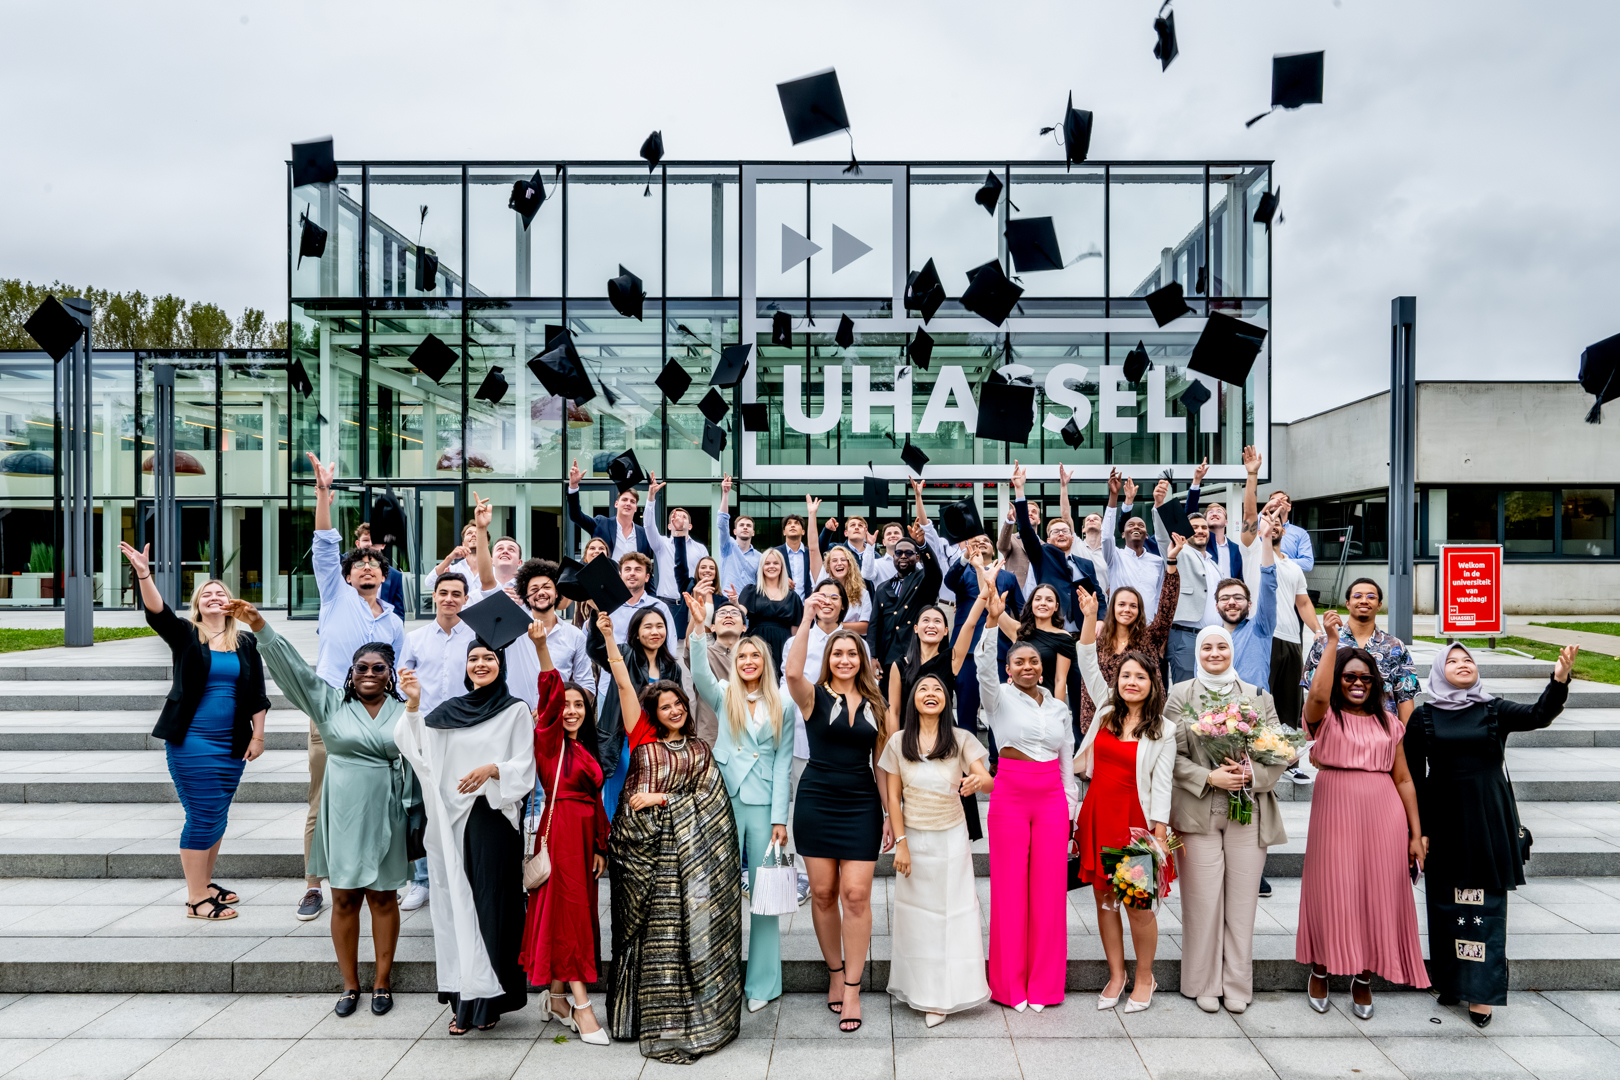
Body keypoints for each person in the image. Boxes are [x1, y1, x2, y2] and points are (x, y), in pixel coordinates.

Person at [242, 600, 410, 1017]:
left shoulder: (406, 709)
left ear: (390, 674)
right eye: (361, 667)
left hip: (388, 810)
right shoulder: (329, 702)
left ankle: (383, 982)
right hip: (343, 813)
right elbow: (295, 671)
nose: (369, 673)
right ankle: (350, 985)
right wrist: (261, 627)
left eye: (378, 668)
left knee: (384, 898)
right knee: (344, 898)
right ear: (350, 672)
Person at [1405, 641, 1577, 1027]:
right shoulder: (1423, 716)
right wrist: (1419, 831)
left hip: (1488, 818)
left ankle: (1481, 993)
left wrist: (1559, 679)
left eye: (1468, 659)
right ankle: (1453, 983)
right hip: (1445, 818)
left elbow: (1538, 715)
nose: (1462, 664)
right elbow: (1414, 777)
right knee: (1446, 905)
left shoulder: (1493, 708)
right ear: (1439, 671)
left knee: (1484, 907)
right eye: (1452, 660)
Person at [600, 613, 743, 1063]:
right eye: (665, 707)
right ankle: (636, 1018)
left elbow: (712, 800)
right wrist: (609, 639)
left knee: (682, 932)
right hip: (642, 853)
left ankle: (690, 1015)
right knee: (644, 934)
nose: (675, 711)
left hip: (689, 855)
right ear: (654, 715)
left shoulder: (700, 748)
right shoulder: (642, 736)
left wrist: (661, 798)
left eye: (678, 704)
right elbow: (623, 683)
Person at [395, 636, 537, 1035]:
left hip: (492, 817)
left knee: (491, 907)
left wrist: (493, 769)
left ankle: (488, 1003)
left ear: (500, 666)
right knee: (455, 906)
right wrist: (412, 704)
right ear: (466, 667)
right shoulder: (448, 711)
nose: (480, 664)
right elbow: (416, 747)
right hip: (451, 821)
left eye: (489, 658)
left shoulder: (515, 710)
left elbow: (524, 764)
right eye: (473, 658)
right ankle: (463, 999)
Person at [119, 544, 268, 922]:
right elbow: (159, 613)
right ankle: (196, 899)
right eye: (206, 594)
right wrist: (144, 574)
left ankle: (204, 882)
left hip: (232, 743)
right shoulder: (187, 635)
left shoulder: (245, 642)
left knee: (218, 815)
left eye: (220, 592)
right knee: (202, 815)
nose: (214, 596)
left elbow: (257, 694)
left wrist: (258, 736)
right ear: (198, 605)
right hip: (193, 741)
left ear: (231, 603)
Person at [1297, 611, 1429, 1020]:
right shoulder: (1323, 716)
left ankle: (1364, 976)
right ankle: (1320, 967)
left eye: (1366, 678)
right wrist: (1332, 643)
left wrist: (1416, 834)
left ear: (1376, 683)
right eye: (1349, 677)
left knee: (1378, 894)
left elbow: (1404, 779)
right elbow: (1317, 695)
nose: (1357, 683)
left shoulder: (1389, 723)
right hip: (1334, 809)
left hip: (1384, 813)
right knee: (1330, 889)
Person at [962, 572, 1078, 1013]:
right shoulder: (999, 700)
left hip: (1051, 799)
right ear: (1009, 670)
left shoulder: (1060, 708)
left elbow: (1067, 764)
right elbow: (982, 668)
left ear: (1042, 668)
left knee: (1049, 893)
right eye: (1019, 663)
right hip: (1010, 794)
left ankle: (1045, 985)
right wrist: (993, 622)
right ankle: (1010, 987)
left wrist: (1070, 811)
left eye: (1033, 662)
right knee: (1010, 892)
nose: (1027, 667)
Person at [300, 453, 406, 921]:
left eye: (373, 566)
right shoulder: (335, 597)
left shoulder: (395, 622)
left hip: (380, 716)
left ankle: (381, 876)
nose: (366, 569)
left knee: (383, 797)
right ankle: (312, 883)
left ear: (384, 576)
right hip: (332, 712)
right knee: (321, 797)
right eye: (359, 565)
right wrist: (324, 492)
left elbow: (397, 672)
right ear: (346, 576)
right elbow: (325, 544)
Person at [785, 595, 892, 1033]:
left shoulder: (877, 704)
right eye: (838, 653)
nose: (845, 659)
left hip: (861, 803)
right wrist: (808, 617)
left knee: (856, 895)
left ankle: (852, 987)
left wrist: (890, 815)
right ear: (827, 659)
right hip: (816, 800)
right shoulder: (813, 696)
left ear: (862, 660)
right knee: (824, 893)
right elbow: (792, 672)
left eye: (852, 653)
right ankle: (834, 970)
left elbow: (883, 765)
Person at [1167, 625, 1287, 1014]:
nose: (1215, 653)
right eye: (1207, 647)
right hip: (1197, 813)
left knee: (1242, 904)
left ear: (1232, 650)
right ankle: (1202, 982)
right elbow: (1168, 755)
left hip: (1248, 812)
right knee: (1201, 903)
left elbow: (1278, 751)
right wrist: (1208, 777)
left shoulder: (1257, 696)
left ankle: (1236, 983)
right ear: (1197, 652)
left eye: (1222, 646)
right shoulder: (1180, 695)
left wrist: (1253, 773)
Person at [688, 599, 795, 1013]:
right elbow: (700, 672)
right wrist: (699, 628)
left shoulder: (783, 704)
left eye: (755, 656)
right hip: (725, 799)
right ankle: (718, 977)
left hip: (764, 806)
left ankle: (763, 984)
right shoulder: (724, 694)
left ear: (765, 662)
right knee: (720, 891)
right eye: (742, 657)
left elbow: (783, 762)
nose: (748, 661)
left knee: (764, 897)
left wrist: (780, 818)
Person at [1074, 589, 1176, 1013]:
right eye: (1125, 676)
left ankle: (1145, 976)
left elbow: (1164, 785)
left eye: (1140, 677)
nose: (1131, 682)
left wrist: (1159, 832)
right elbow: (1085, 658)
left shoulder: (1163, 730)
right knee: (1104, 902)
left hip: (1134, 824)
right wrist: (1091, 616)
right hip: (1098, 815)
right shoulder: (1105, 711)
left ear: (1153, 684)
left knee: (1137, 906)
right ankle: (1116, 974)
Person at [880, 672, 994, 1027]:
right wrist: (901, 844)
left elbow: (988, 780)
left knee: (952, 915)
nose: (930, 693)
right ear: (913, 699)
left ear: (947, 700)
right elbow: (893, 799)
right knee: (917, 918)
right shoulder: (898, 742)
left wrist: (978, 780)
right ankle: (920, 988)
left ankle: (944, 995)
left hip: (951, 839)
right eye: (923, 689)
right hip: (913, 839)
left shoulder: (961, 739)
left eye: (937, 689)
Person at [518, 621, 612, 1046]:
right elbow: (551, 695)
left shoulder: (585, 748)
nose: (572, 710)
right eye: (566, 705)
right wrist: (542, 648)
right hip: (558, 834)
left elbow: (595, 802)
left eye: (579, 704)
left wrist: (599, 846)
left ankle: (556, 998)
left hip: (583, 837)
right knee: (569, 913)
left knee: (572, 912)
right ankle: (582, 1005)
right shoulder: (549, 742)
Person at [396, 572, 476, 912]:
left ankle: (461, 876)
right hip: (425, 731)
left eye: (456, 594)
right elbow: (401, 681)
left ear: (466, 599)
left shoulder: (475, 637)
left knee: (461, 803)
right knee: (423, 805)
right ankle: (422, 880)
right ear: (435, 596)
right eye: (444, 593)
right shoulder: (415, 638)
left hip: (463, 730)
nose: (449, 599)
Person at [590, 604, 692, 816]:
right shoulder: (624, 654)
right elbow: (597, 650)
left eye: (660, 626)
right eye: (648, 627)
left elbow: (679, 707)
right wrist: (599, 625)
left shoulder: (672, 667)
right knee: (619, 803)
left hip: (659, 745)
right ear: (636, 633)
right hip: (622, 742)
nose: (655, 632)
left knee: (650, 803)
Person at [1078, 539, 1181, 739]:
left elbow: (1167, 606)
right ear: (1112, 608)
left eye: (1133, 606)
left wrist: (1171, 561)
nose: (1127, 609)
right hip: (1106, 721)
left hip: (1144, 720)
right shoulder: (1099, 640)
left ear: (1140, 610)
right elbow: (1087, 673)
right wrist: (1090, 725)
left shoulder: (1150, 637)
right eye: (1121, 604)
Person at [1302, 578, 1421, 725]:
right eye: (1357, 596)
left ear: (1379, 605)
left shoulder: (1395, 646)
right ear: (1347, 603)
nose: (1364, 601)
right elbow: (1315, 695)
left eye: (1371, 597)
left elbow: (1405, 697)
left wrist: (1405, 736)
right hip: (1336, 728)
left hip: (1383, 731)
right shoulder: (1324, 643)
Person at [942, 535, 1025, 741]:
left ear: (994, 550)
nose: (981, 542)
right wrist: (965, 558)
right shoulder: (963, 573)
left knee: (999, 706)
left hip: (999, 650)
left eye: (986, 540)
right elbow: (949, 581)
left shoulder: (1008, 577)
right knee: (966, 706)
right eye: (976, 541)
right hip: (966, 650)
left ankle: (997, 755)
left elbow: (1022, 612)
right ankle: (967, 755)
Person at [1009, 462, 1103, 629]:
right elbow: (1025, 530)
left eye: (1065, 531)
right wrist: (1019, 489)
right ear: (1048, 539)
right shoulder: (1041, 556)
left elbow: (1098, 594)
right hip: (1051, 630)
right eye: (1055, 532)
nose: (1061, 534)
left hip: (1083, 632)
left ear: (1072, 538)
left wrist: (1101, 620)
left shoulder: (1086, 564)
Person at [504, 558, 595, 709]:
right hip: (516, 715)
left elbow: (587, 686)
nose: (541, 592)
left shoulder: (575, 635)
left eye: (547, 587)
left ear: (557, 592)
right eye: (534, 589)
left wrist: (557, 708)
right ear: (525, 596)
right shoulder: (511, 630)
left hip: (558, 718)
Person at [1210, 513, 1280, 689]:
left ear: (1249, 605)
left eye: (1238, 597)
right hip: (1216, 704)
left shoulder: (1261, 628)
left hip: (1254, 704)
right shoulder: (1210, 638)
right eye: (1224, 598)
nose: (1231, 602)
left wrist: (1266, 539)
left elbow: (1269, 585)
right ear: (1216, 606)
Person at [866, 526, 943, 681]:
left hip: (916, 654)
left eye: (908, 553)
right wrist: (872, 656)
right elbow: (874, 624)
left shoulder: (924, 580)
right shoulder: (882, 587)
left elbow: (935, 571)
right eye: (898, 553)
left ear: (918, 557)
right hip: (888, 656)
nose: (903, 556)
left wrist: (922, 545)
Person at [644, 472, 710, 639]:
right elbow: (648, 525)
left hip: (691, 603)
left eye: (683, 517)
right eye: (675, 516)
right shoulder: (661, 544)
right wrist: (651, 498)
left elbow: (705, 576)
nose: (679, 519)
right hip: (666, 603)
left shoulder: (700, 549)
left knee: (691, 643)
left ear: (690, 525)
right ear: (669, 525)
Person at [567, 456, 656, 576]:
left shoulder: (643, 534)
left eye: (632, 501)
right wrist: (573, 486)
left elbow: (646, 566)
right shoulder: (601, 524)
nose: (628, 503)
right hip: (605, 583)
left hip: (632, 585)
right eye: (624, 499)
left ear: (636, 508)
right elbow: (576, 516)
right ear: (616, 504)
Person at [1100, 474, 1167, 624]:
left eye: (1141, 525)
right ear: (1123, 534)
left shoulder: (1157, 562)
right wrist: (1113, 496)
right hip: (1119, 626)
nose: (1136, 527)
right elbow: (1106, 537)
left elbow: (1158, 596)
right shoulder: (1114, 557)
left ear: (1147, 535)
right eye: (1131, 525)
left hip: (1148, 628)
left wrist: (1156, 623)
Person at [686, 593, 746, 744]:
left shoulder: (753, 659)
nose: (728, 616)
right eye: (722, 613)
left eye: (734, 613)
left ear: (744, 627)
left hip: (746, 739)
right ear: (712, 627)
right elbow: (692, 646)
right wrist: (698, 623)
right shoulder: (703, 654)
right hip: (711, 740)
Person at [807, 496, 874, 633]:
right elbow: (813, 549)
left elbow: (866, 627)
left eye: (843, 560)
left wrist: (836, 626)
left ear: (850, 564)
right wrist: (812, 515)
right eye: (834, 560)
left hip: (852, 641)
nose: (839, 563)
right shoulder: (822, 580)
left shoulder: (862, 592)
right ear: (828, 565)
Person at [737, 547, 804, 671]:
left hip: (783, 647)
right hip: (756, 644)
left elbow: (795, 632)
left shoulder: (793, 597)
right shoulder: (751, 591)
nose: (771, 566)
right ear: (762, 567)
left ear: (782, 567)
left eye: (775, 563)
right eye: (767, 563)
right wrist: (734, 604)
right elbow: (740, 614)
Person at [607, 552, 676, 644]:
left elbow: (670, 641)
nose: (632, 573)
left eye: (638, 570)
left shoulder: (659, 607)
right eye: (627, 569)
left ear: (647, 577)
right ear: (620, 576)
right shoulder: (608, 607)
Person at [716, 474, 762, 598]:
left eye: (748, 525)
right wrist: (725, 494)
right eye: (741, 525)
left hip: (749, 603)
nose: (745, 527)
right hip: (727, 601)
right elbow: (722, 523)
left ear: (753, 532)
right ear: (735, 531)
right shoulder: (727, 546)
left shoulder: (760, 557)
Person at [355, 521, 407, 617]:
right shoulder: (346, 570)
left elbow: (398, 613)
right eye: (366, 540)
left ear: (383, 545)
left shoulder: (395, 576)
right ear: (358, 544)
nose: (370, 544)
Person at [997, 497, 1041, 589]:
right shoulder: (1012, 539)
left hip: (1038, 593)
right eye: (1026, 511)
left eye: (1034, 512)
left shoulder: (1044, 546)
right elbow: (1001, 546)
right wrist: (1009, 522)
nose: (1030, 513)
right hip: (1015, 591)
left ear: (1039, 520)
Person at [426, 522, 479, 593]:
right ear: (463, 544)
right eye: (469, 533)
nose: (473, 535)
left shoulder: (493, 568)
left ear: (487, 543)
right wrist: (450, 558)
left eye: (478, 533)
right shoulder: (453, 570)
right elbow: (429, 583)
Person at [775, 511, 813, 599]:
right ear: (784, 532)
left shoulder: (810, 553)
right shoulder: (775, 553)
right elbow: (763, 575)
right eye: (789, 523)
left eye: (796, 523)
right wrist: (780, 580)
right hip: (781, 602)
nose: (792, 525)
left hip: (806, 603)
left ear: (803, 532)